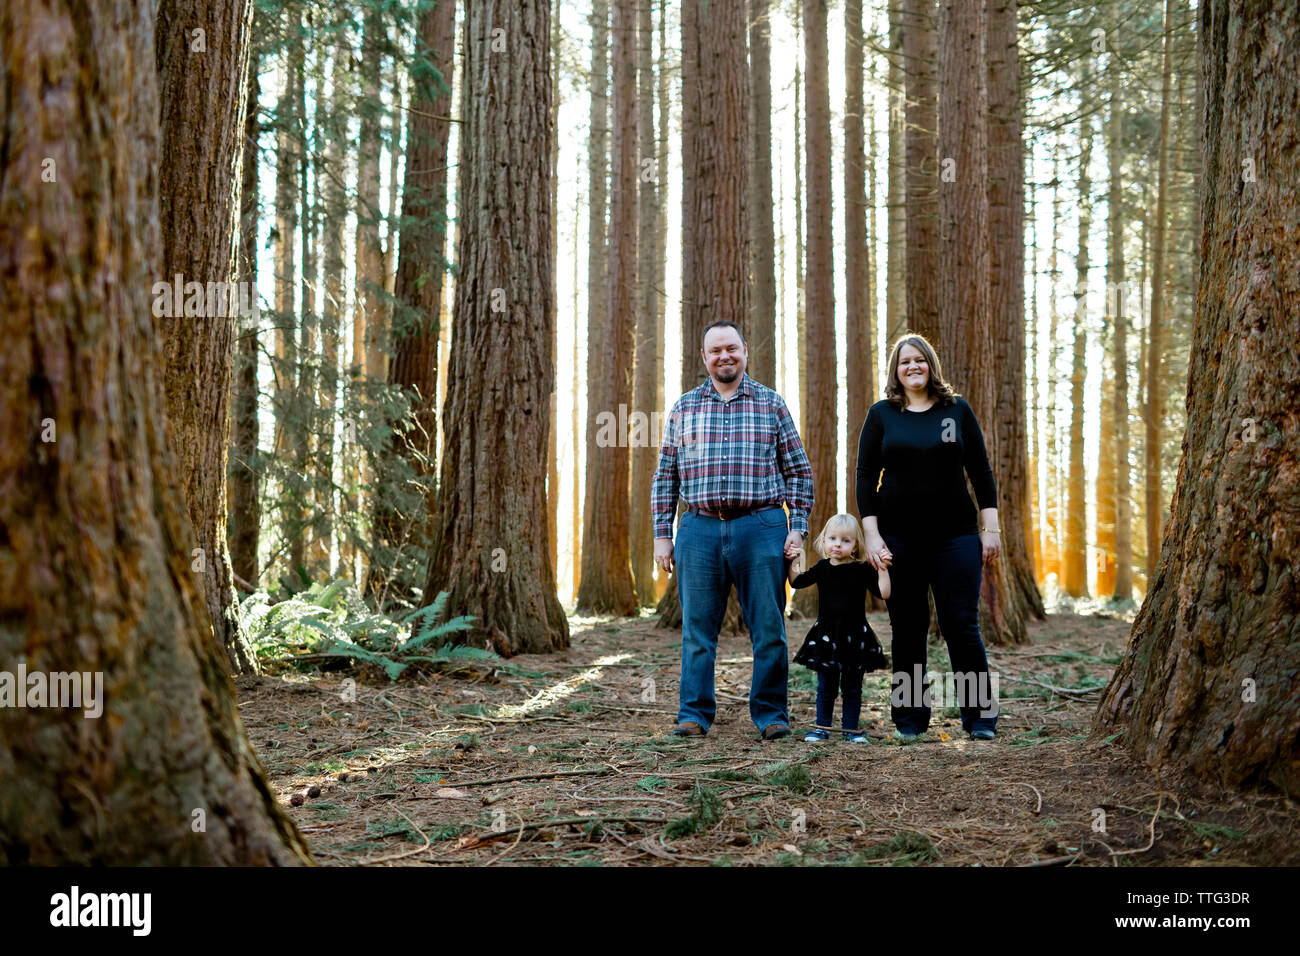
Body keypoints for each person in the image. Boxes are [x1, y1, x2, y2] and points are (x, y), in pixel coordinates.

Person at [651, 320, 815, 741]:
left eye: (731, 349)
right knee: (698, 631)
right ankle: (693, 714)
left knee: (769, 628)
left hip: (761, 526)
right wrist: (662, 533)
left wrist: (797, 529)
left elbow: (798, 472)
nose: (724, 356)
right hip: (699, 529)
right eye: (715, 351)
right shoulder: (685, 408)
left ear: (745, 350)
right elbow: (665, 475)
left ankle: (771, 714)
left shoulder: (771, 404)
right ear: (704, 357)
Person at [856, 333, 1002, 741]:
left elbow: (982, 472)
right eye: (905, 362)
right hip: (898, 539)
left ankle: (979, 719)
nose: (913, 367)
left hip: (955, 537)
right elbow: (865, 477)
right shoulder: (882, 414)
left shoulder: (956, 411)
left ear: (930, 365)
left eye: (919, 360)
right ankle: (909, 719)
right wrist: (872, 535)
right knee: (907, 627)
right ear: (896, 370)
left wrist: (989, 529)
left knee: (961, 626)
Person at [788, 514, 891, 743]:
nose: (837, 544)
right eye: (832, 538)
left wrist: (882, 568)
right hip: (826, 637)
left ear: (855, 545)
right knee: (826, 687)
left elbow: (884, 593)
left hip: (856, 637)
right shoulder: (823, 567)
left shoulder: (862, 569)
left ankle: (851, 731)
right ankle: (822, 728)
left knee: (852, 688)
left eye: (845, 540)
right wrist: (793, 561)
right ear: (824, 541)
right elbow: (797, 582)